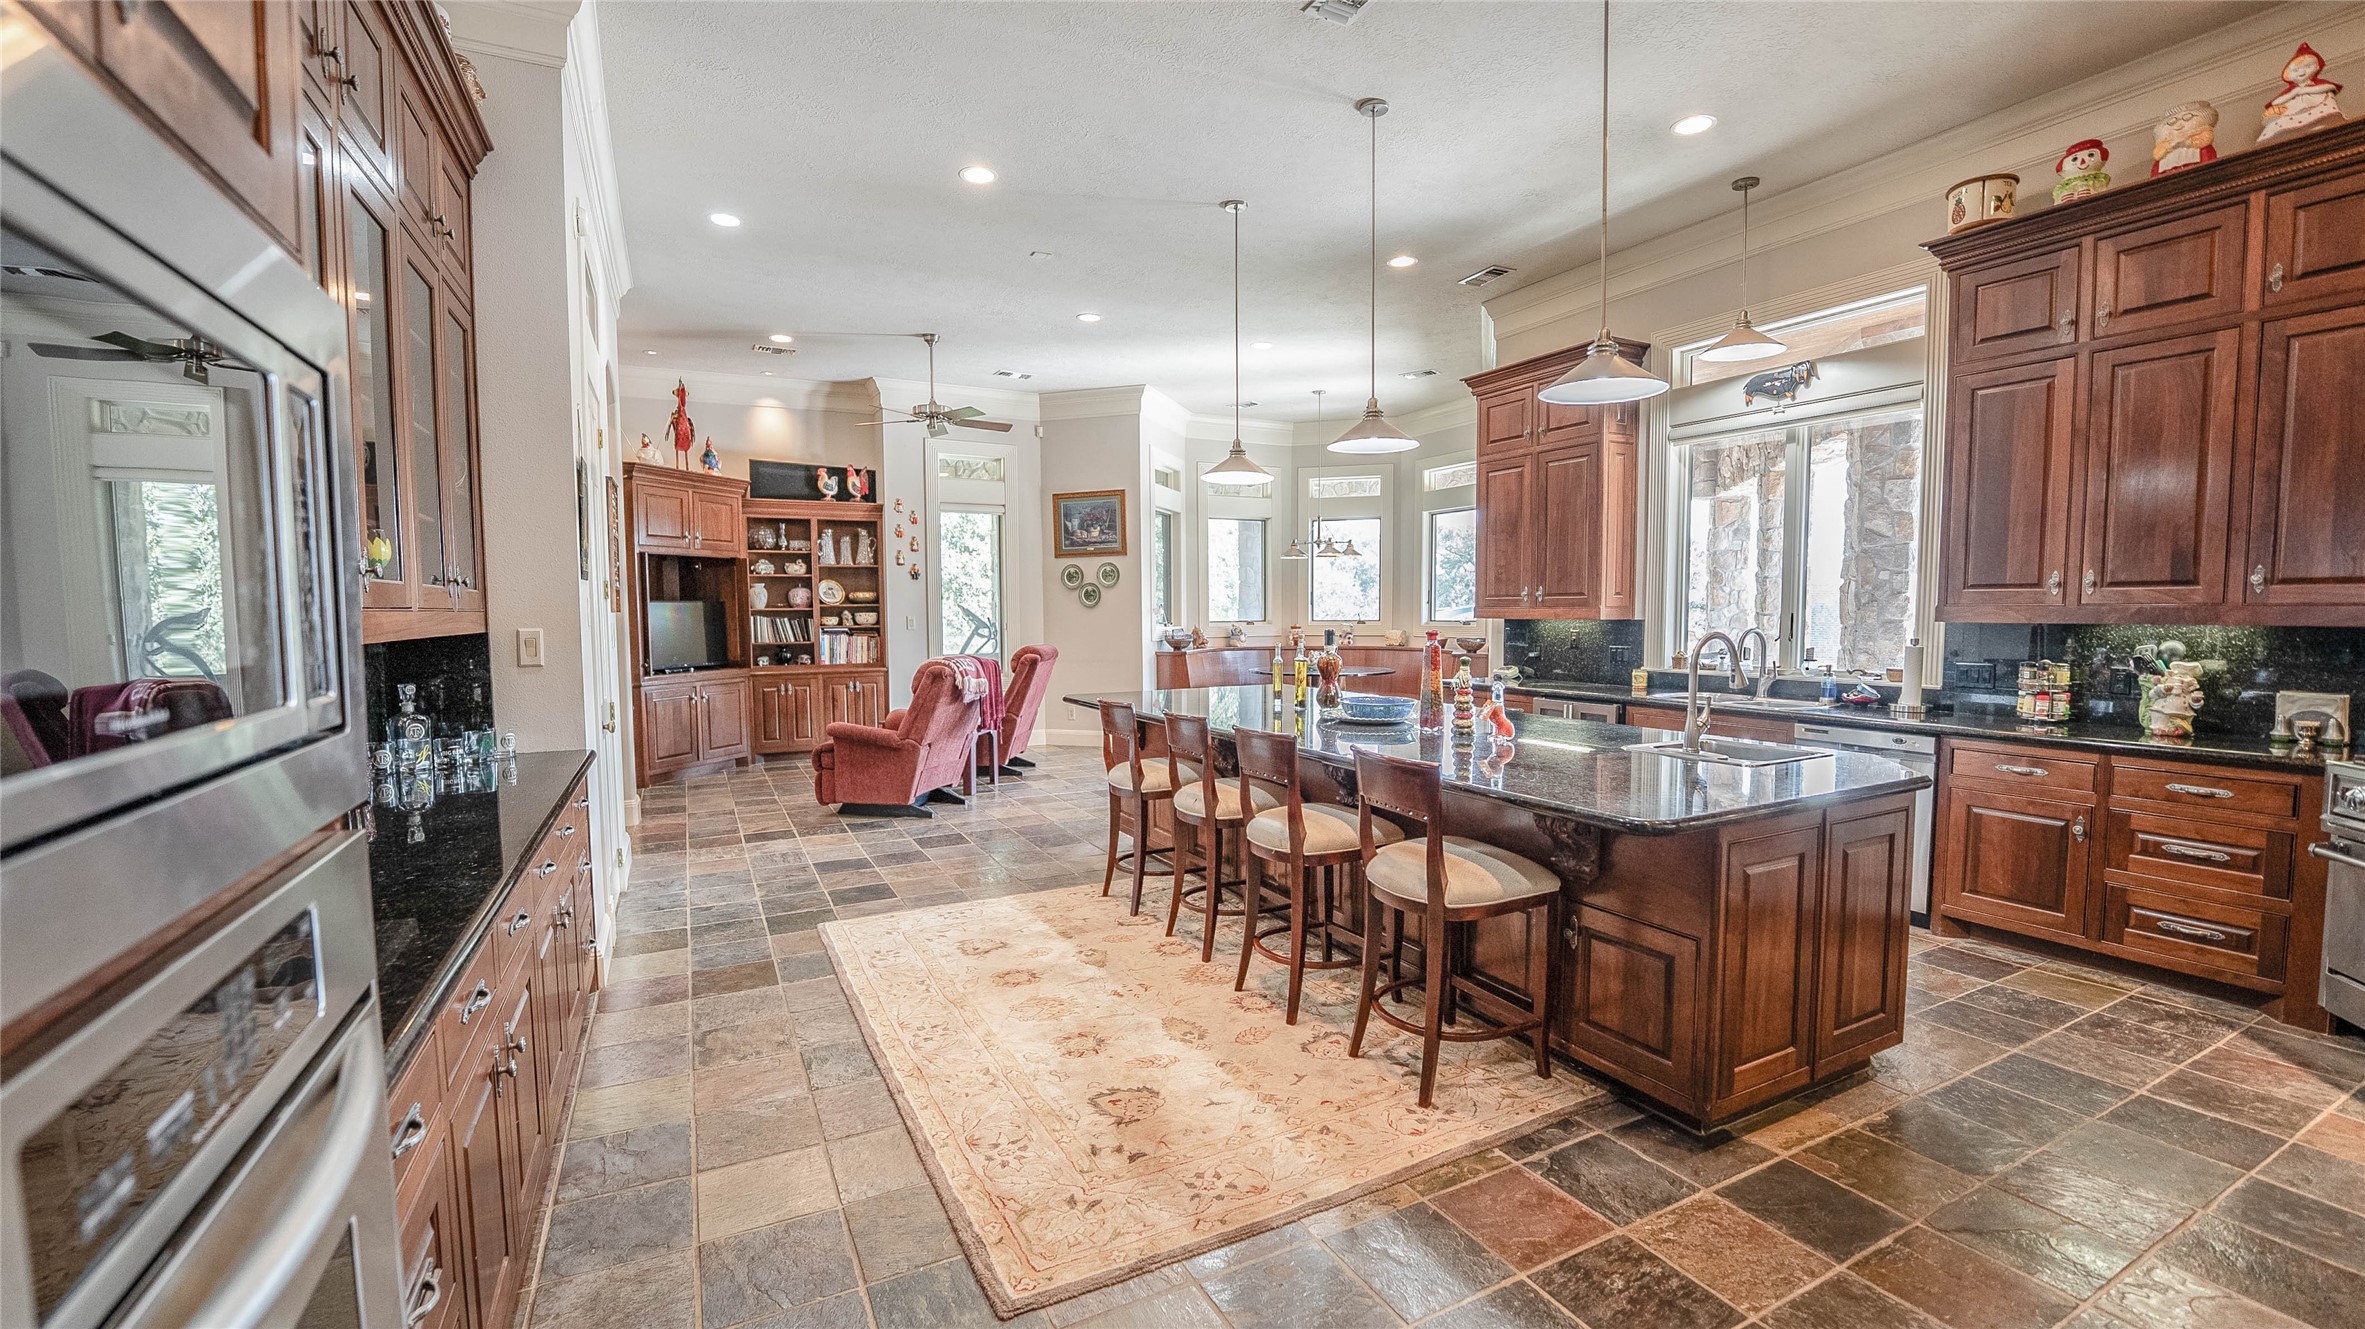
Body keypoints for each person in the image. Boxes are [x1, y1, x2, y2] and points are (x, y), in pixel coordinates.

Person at [2260, 43, 2345, 142]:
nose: (2302, 71)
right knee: (2286, 119)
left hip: (2316, 102)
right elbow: (2275, 102)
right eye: (2296, 70)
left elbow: (2329, 86)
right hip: (2294, 108)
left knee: (2325, 109)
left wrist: (2304, 90)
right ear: (2288, 75)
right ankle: (2290, 131)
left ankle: (2323, 122)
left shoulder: (2316, 84)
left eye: (2308, 66)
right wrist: (2294, 93)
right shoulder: (2293, 90)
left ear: (2317, 67)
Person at [2152, 101, 2219, 176]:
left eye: (2187, 118)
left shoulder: (2203, 149)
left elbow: (2209, 167)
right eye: (2172, 122)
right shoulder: (2161, 159)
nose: (2179, 124)